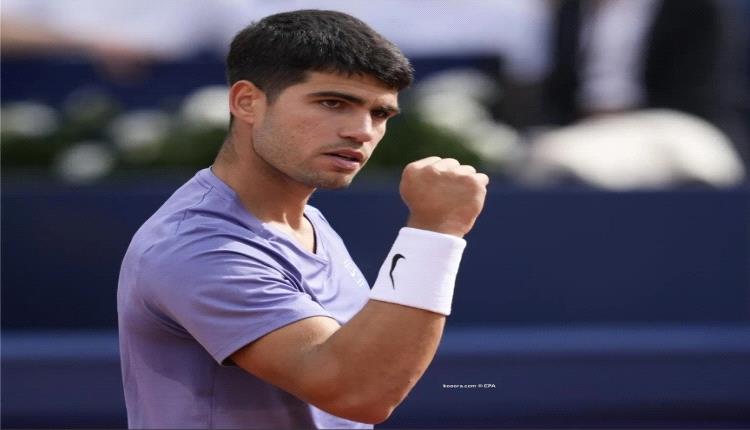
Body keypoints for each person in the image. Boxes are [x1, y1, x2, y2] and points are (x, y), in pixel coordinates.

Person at [117, 9, 489, 429]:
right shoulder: (196, 246)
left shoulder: (310, 221)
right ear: (247, 102)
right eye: (333, 103)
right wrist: (435, 231)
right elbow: (357, 391)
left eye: (380, 114)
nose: (362, 131)